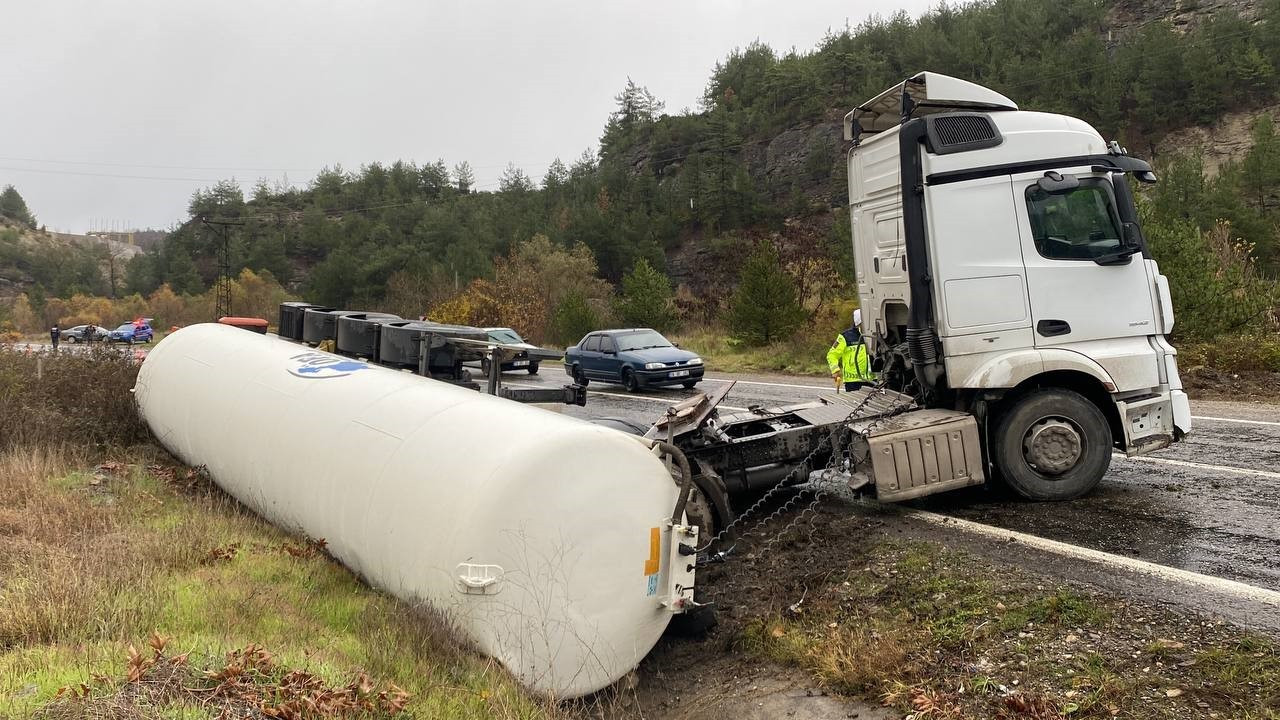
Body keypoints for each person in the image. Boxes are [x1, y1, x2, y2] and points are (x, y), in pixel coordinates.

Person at [827, 308, 875, 392]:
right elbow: (832, 355)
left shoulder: (874, 334)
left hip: (873, 380)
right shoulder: (845, 336)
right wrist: (835, 370)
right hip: (853, 382)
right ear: (858, 323)